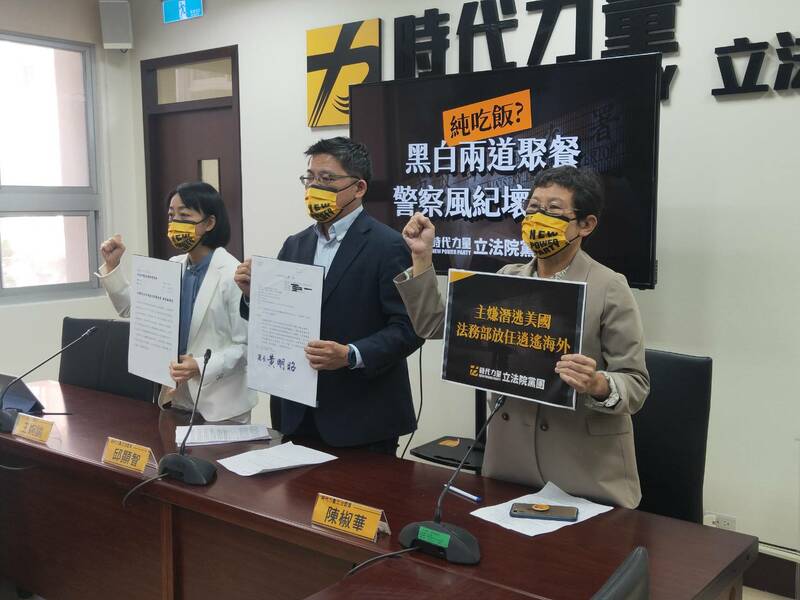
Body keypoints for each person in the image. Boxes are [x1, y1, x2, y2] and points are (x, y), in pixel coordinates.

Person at [395, 166, 649, 508]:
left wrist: (598, 384)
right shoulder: (506, 278)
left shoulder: (609, 286)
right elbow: (432, 325)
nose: (538, 219)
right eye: (532, 209)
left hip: (584, 472)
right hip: (509, 465)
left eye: (553, 211)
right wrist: (422, 257)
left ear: (585, 225)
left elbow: (635, 384)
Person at [235, 137, 423, 455]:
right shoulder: (295, 244)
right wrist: (254, 296)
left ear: (358, 188)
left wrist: (351, 354)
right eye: (310, 178)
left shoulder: (388, 246)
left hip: (361, 418)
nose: (314, 188)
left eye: (327, 179)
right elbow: (276, 320)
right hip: (296, 411)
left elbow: (410, 328)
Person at [98, 182, 257, 423]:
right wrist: (113, 266)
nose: (175, 224)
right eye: (172, 216)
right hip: (176, 398)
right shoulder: (173, 266)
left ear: (209, 223)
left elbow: (245, 347)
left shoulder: (233, 274)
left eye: (185, 216)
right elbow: (132, 309)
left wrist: (201, 366)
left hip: (223, 406)